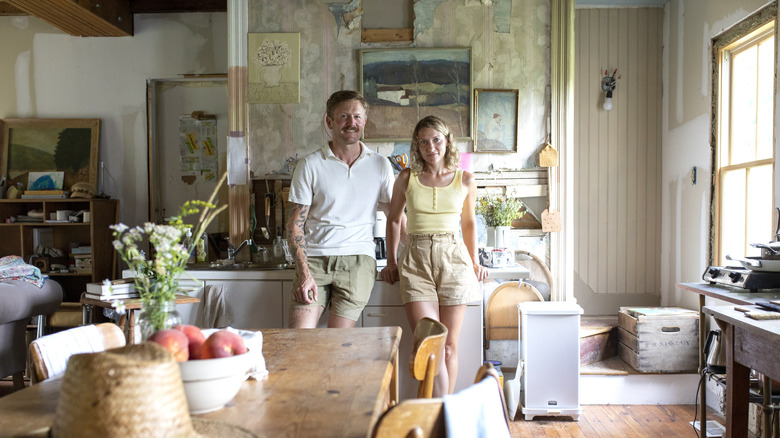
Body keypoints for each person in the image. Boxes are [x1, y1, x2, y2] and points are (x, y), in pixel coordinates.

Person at [381, 115, 488, 396]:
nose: (431, 147)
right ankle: (439, 416)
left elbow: (469, 224)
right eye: (424, 142)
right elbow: (393, 220)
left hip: (454, 260)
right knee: (431, 345)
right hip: (415, 260)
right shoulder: (406, 178)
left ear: (447, 141)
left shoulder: (465, 179)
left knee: (449, 347)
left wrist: (475, 261)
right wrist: (392, 262)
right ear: (417, 146)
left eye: (436, 140)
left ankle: (441, 416)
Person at [287, 90, 397, 328]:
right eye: (344, 116)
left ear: (364, 122)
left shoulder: (380, 164)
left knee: (337, 343)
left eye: (357, 117)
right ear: (330, 121)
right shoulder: (309, 165)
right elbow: (294, 226)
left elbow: (395, 218)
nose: (352, 123)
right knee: (299, 338)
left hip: (358, 262)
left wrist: (397, 260)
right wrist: (304, 273)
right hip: (315, 260)